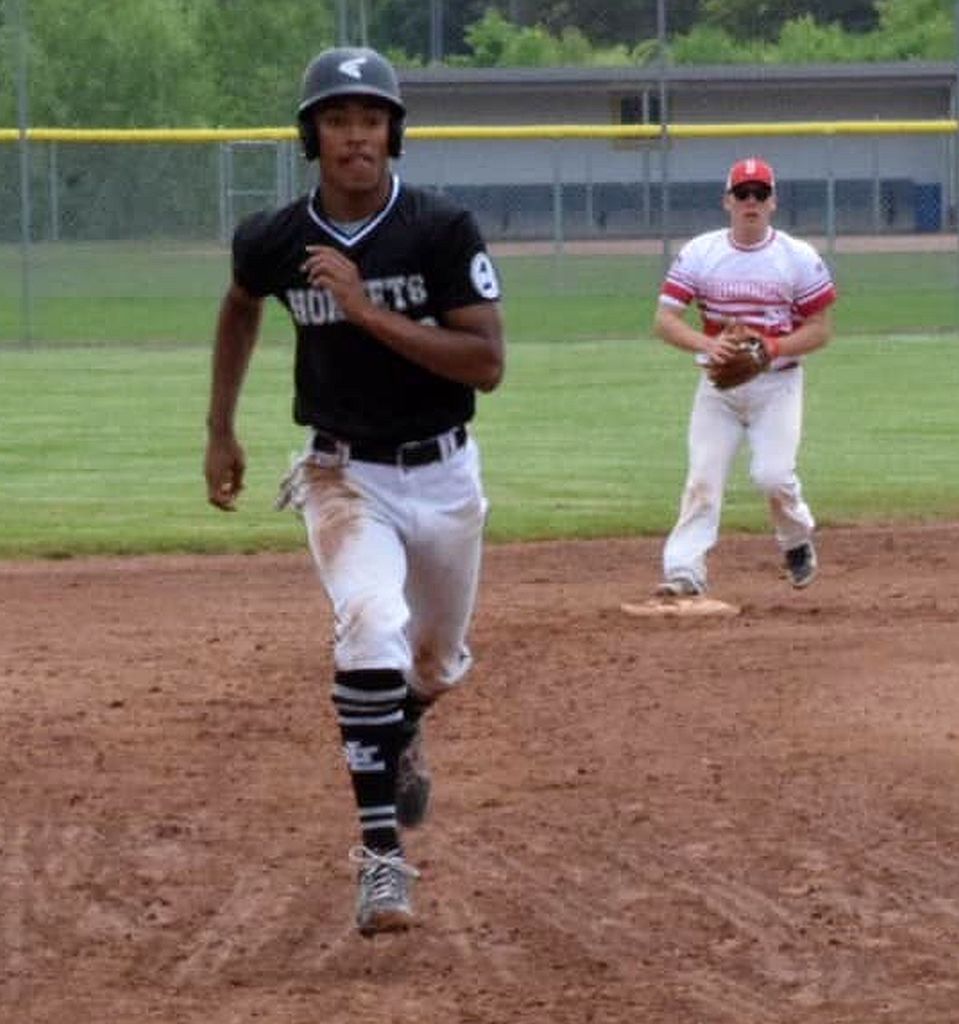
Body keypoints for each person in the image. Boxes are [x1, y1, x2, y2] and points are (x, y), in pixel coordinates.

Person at [203, 46, 505, 936]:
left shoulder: (440, 230)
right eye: (337, 120)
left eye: (370, 120)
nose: (354, 136)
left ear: (392, 133)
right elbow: (240, 302)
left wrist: (370, 311)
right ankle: (381, 859)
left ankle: (403, 721)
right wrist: (220, 426)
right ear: (313, 137)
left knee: (435, 663)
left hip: (445, 474)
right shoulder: (273, 238)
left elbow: (487, 363)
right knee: (369, 625)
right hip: (343, 475)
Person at [652, 157, 837, 597]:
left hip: (777, 386)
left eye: (759, 194)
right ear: (727, 201)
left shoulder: (797, 257)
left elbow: (820, 330)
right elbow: (665, 320)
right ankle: (684, 571)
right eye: (742, 194)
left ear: (773, 202)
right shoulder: (701, 252)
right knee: (702, 478)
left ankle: (796, 540)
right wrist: (708, 345)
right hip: (719, 385)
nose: (750, 201)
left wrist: (771, 348)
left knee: (773, 476)